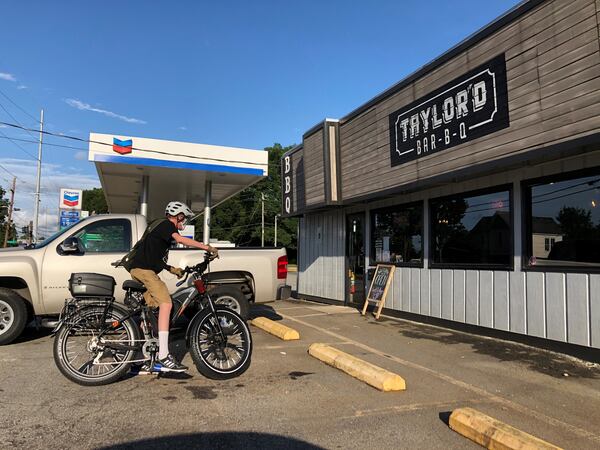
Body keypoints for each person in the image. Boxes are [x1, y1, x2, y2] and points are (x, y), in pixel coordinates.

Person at [127, 201, 218, 373]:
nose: (184, 222)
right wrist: (207, 247)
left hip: (142, 269)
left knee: (152, 310)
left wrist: (172, 269)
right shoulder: (167, 224)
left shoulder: (160, 228)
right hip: (144, 271)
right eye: (184, 218)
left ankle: (142, 355)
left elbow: (153, 257)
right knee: (167, 304)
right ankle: (163, 355)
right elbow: (181, 239)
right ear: (179, 216)